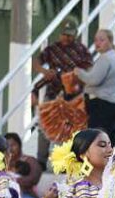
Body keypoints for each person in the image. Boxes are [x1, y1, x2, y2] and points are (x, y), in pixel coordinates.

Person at [33, 19, 92, 165]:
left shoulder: (82, 51)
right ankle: (41, 160)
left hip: (73, 95)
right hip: (53, 92)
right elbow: (35, 62)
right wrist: (45, 72)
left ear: (76, 34)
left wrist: (78, 76)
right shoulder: (52, 49)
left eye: (70, 35)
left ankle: (67, 161)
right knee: (45, 125)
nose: (66, 38)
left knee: (70, 128)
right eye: (64, 34)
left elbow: (90, 70)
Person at [74, 29, 115, 146]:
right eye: (96, 40)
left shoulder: (105, 59)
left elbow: (93, 80)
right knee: (109, 146)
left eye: (102, 40)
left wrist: (79, 72)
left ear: (110, 42)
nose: (97, 43)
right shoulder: (113, 57)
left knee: (95, 144)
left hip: (104, 106)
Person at [5, 132, 43, 198]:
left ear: (19, 145)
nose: (10, 149)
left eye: (13, 145)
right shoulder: (2, 163)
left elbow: (33, 179)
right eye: (7, 146)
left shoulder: (30, 160)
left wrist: (14, 180)